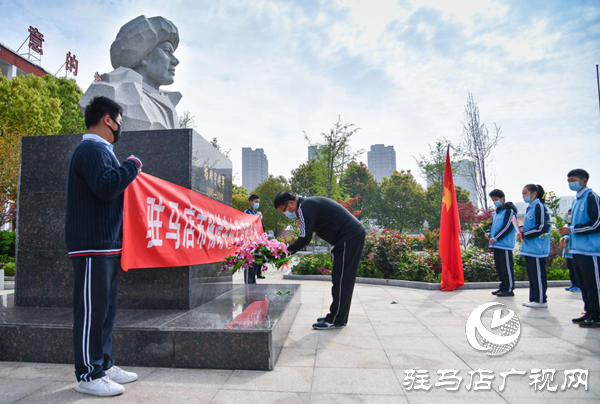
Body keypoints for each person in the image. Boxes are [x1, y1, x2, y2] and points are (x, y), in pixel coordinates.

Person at [65, 96, 142, 396]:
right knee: (91, 313)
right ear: (108, 119)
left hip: (107, 246)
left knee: (105, 311)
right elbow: (107, 186)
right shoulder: (92, 148)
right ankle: (87, 374)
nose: (121, 126)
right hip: (91, 247)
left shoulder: (101, 150)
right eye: (120, 120)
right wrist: (132, 165)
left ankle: (104, 366)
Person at [273, 191, 365, 330]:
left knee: (341, 279)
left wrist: (285, 252)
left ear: (290, 203)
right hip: (349, 236)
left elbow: (305, 238)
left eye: (284, 210)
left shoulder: (304, 207)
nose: (286, 213)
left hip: (349, 236)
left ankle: (336, 319)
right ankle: (339, 316)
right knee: (340, 277)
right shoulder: (307, 205)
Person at [79, 15, 181, 131]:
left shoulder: (168, 104)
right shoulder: (110, 93)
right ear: (144, 56)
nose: (175, 61)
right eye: (167, 51)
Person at [559, 169, 600, 328]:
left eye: (573, 180)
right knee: (583, 284)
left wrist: (572, 230)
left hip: (591, 250)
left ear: (583, 181)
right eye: (568, 180)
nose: (570, 183)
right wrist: (567, 236)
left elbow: (597, 224)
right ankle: (589, 312)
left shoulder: (592, 198)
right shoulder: (576, 201)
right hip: (577, 250)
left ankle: (597, 315)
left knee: (593, 284)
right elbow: (574, 225)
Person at [519, 184, 551, 309]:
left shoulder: (540, 207)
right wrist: (521, 230)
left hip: (538, 248)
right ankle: (534, 298)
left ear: (534, 194)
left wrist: (525, 234)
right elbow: (528, 227)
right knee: (532, 275)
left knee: (538, 274)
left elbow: (542, 227)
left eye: (525, 193)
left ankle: (541, 300)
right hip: (529, 248)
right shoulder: (530, 208)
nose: (523, 196)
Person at [485, 189, 518, 297]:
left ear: (503, 199)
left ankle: (509, 288)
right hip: (496, 244)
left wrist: (495, 238)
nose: (495, 201)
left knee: (506, 267)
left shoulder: (509, 211)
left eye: (496, 199)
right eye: (493, 200)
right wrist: (489, 233)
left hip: (505, 245)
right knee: (499, 267)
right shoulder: (497, 212)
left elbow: (508, 226)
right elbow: (492, 226)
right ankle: (503, 287)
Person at [243, 194, 264, 283]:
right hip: (249, 244)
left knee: (255, 265)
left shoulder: (256, 213)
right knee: (249, 265)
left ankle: (252, 283)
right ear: (250, 202)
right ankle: (249, 284)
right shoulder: (247, 212)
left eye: (258, 202)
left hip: (256, 243)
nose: (257, 204)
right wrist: (256, 217)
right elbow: (247, 225)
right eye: (256, 202)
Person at [561, 209, 581, 292]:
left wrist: (567, 237)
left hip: (573, 250)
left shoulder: (576, 226)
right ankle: (573, 284)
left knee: (575, 269)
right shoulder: (567, 225)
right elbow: (565, 235)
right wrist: (563, 238)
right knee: (571, 269)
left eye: (570, 214)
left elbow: (573, 236)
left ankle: (578, 285)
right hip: (567, 251)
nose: (569, 216)